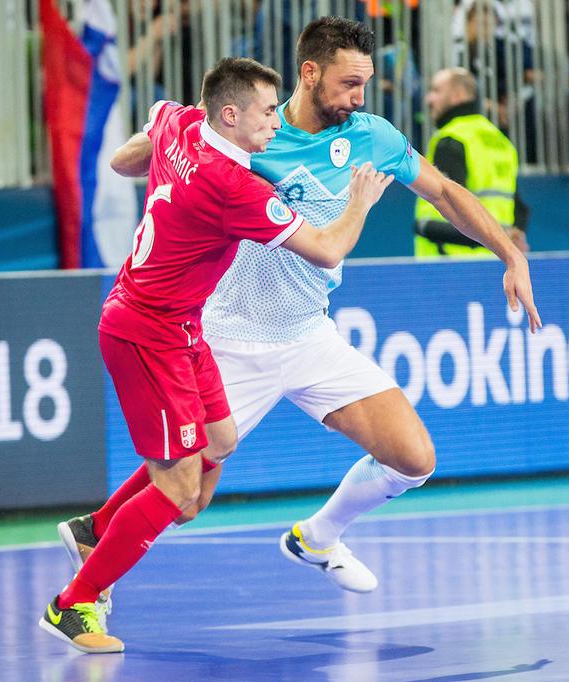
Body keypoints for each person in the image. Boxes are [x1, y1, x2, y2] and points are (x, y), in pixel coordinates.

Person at [60, 16, 540, 603]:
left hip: (309, 335)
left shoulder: (372, 136)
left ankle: (318, 536)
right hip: (228, 335)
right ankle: (94, 540)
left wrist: (508, 254)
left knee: (414, 458)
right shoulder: (248, 131)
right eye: (348, 84)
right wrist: (156, 148)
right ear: (309, 74)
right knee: (187, 498)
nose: (358, 98)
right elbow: (144, 156)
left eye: (365, 85)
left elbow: (444, 192)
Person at [38, 56, 394, 654]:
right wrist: (359, 200)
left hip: (182, 326)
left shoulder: (181, 123)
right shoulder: (234, 188)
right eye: (263, 116)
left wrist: (154, 173)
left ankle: (93, 530)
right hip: (145, 334)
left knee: (220, 443)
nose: (275, 127)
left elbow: (127, 155)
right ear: (229, 115)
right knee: (180, 493)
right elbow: (328, 251)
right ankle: (72, 603)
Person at [415, 66, 528, 257]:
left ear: (458, 95)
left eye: (436, 91)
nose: (429, 99)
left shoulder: (451, 138)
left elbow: (453, 205)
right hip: (494, 262)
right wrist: (508, 240)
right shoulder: (501, 140)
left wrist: (423, 227)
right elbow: (519, 207)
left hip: (449, 263)